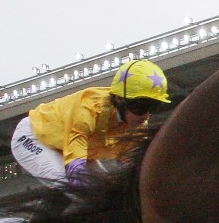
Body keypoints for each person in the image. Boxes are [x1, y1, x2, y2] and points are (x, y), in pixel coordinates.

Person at [10, 59, 170, 187]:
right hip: (33, 137)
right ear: (119, 99)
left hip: (71, 147)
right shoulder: (89, 108)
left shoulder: (136, 125)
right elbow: (75, 170)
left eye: (153, 107)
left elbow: (131, 165)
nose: (146, 115)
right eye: (141, 106)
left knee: (106, 193)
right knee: (73, 187)